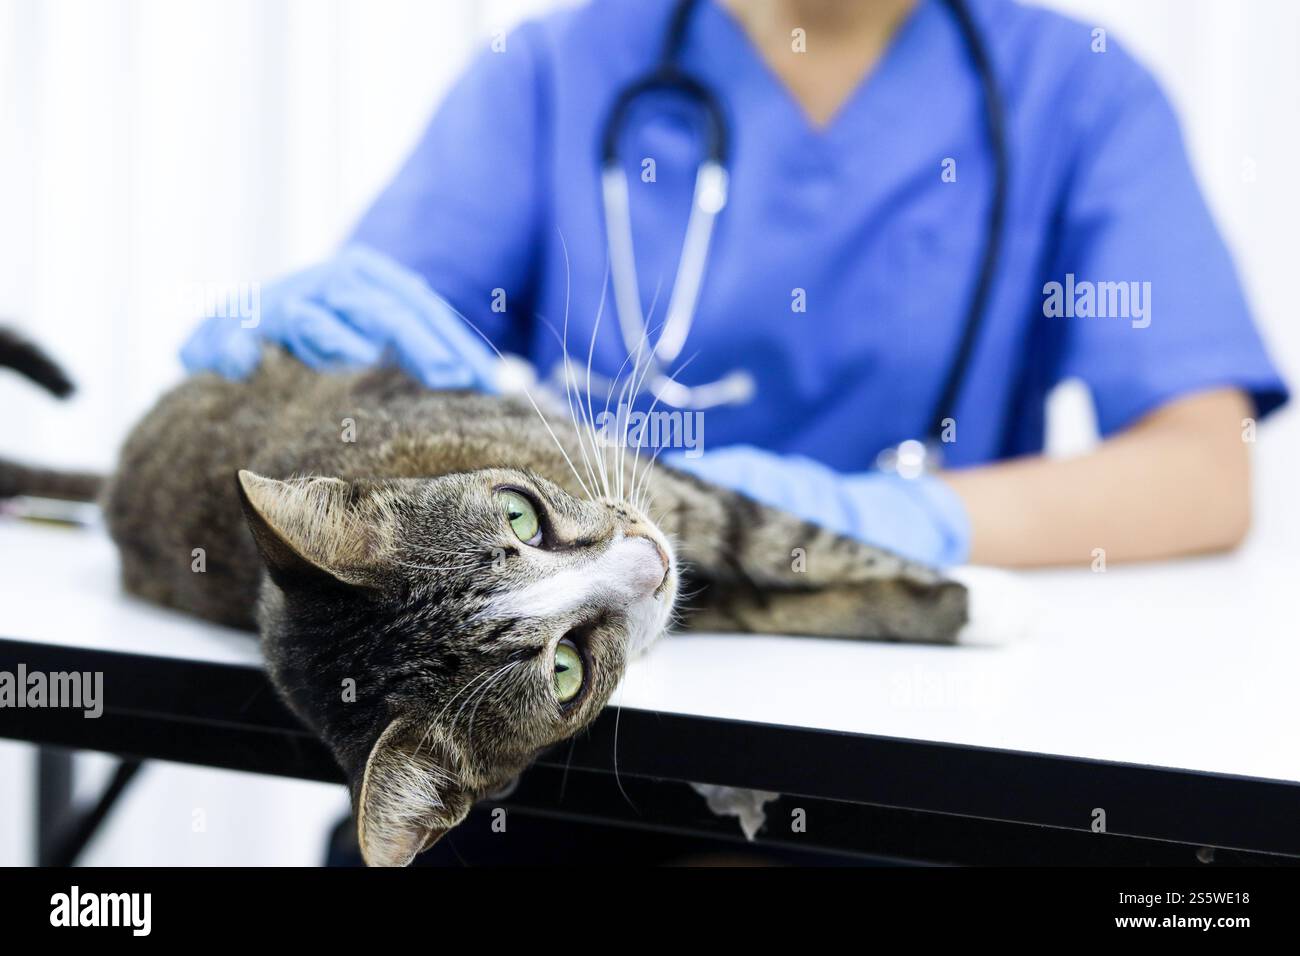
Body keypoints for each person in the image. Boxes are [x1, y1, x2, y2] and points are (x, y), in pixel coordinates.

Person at [182, 0, 1288, 570]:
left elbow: (1202, 470)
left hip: (906, 718)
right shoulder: (560, 66)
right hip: (581, 704)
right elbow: (365, 381)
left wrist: (884, 522)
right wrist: (312, 352)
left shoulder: (1077, 94)